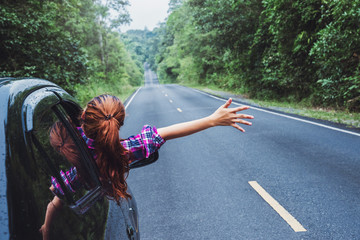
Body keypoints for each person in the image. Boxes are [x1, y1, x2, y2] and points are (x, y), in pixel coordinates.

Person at [40, 94, 253, 239]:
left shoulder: (72, 175)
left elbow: (54, 202)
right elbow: (168, 132)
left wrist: (45, 230)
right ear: (118, 124)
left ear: (83, 118)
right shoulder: (124, 151)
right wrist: (212, 120)